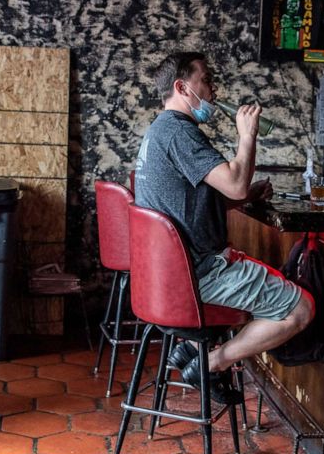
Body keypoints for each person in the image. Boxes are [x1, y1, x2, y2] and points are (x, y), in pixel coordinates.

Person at [134, 52, 314, 403]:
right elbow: (233, 183)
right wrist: (247, 136)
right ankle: (210, 361)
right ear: (182, 87)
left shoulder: (161, 130)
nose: (213, 89)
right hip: (198, 274)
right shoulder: (179, 132)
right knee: (301, 308)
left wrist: (240, 198)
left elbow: (200, 196)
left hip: (169, 276)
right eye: (207, 80)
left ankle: (192, 352)